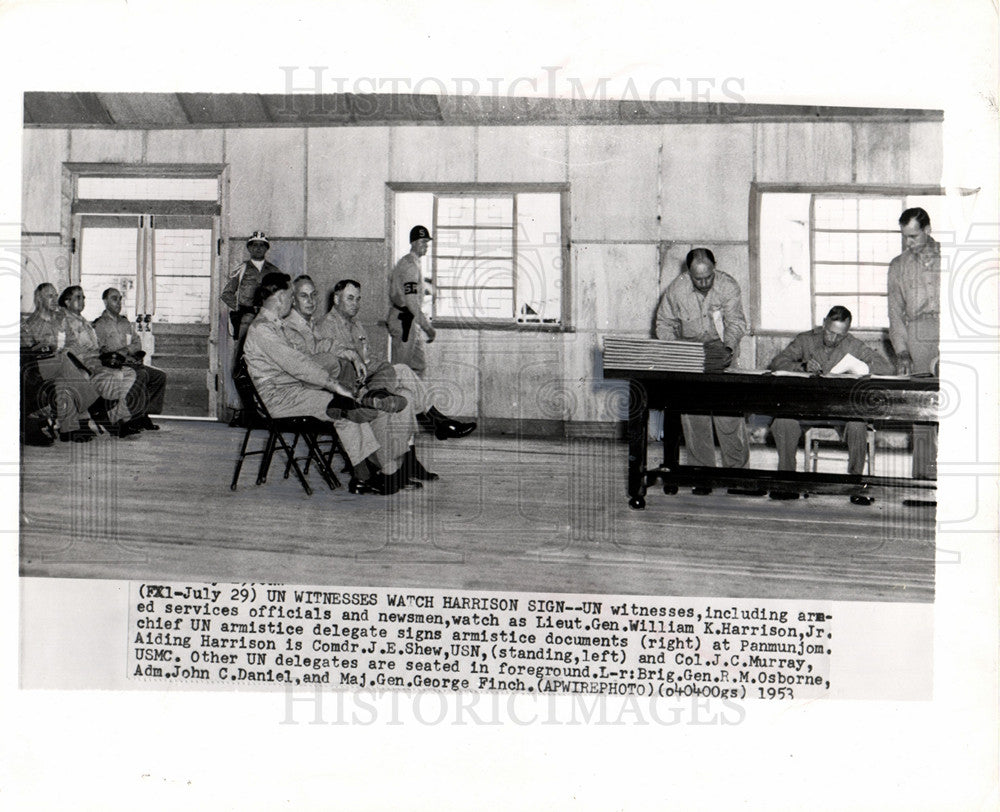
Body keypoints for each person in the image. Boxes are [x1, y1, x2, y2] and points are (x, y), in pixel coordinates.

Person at [242, 272, 406, 496]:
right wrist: (333, 384)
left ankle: (363, 474)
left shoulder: (274, 325)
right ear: (280, 297)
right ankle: (369, 467)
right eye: (291, 296)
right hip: (276, 398)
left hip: (291, 390)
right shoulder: (262, 329)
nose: (292, 301)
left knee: (344, 408)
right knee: (343, 407)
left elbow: (314, 349)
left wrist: (348, 356)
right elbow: (298, 363)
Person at [282, 275, 426, 489]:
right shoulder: (297, 327)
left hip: (344, 382)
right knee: (370, 406)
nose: (311, 301)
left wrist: (354, 357)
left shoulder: (314, 325)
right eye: (304, 296)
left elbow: (343, 352)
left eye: (313, 295)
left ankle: (399, 464)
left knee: (403, 395)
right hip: (318, 392)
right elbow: (309, 370)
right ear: (293, 299)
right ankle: (380, 470)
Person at [767, 306, 894, 499]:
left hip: (841, 410)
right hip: (807, 408)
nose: (833, 339)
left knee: (858, 425)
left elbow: (887, 368)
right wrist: (802, 366)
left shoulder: (853, 345)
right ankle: (787, 481)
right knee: (783, 422)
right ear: (824, 321)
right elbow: (777, 363)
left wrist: (861, 367)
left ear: (847, 332)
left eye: (840, 335)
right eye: (830, 332)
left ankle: (856, 483)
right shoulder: (805, 339)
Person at [318, 278, 438, 481]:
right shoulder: (324, 327)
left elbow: (367, 360)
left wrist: (381, 370)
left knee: (406, 394)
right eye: (349, 298)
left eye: (358, 299)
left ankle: (408, 461)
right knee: (400, 376)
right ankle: (431, 421)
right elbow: (334, 369)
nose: (355, 304)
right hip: (344, 392)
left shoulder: (356, 325)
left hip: (365, 382)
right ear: (336, 299)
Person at [654, 247, 750, 493]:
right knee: (695, 418)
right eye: (698, 279)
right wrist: (676, 353)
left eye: (709, 276)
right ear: (689, 272)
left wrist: (728, 349)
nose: (705, 282)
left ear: (714, 267)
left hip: (723, 352)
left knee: (728, 416)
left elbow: (736, 322)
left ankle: (737, 477)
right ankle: (702, 476)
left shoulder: (728, 286)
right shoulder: (676, 290)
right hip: (692, 356)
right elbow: (664, 324)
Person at [387, 224, 476, 439]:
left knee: (417, 368)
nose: (425, 245)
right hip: (405, 321)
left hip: (410, 322)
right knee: (401, 372)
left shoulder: (414, 264)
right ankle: (398, 426)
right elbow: (410, 302)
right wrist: (428, 327)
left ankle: (427, 421)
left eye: (427, 242)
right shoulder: (408, 266)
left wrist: (429, 289)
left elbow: (414, 291)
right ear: (413, 243)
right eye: (421, 242)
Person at [888, 207, 939, 479]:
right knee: (922, 409)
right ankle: (923, 479)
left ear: (928, 230)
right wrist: (902, 351)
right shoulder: (898, 266)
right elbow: (895, 312)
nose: (908, 242)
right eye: (905, 237)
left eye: (914, 236)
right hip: (917, 334)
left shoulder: (953, 256)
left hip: (952, 332)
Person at [58, 285, 144, 437]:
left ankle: (115, 416)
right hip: (81, 365)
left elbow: (96, 347)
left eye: (83, 297)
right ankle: (111, 418)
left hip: (96, 362)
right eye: (78, 297)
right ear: (67, 301)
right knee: (116, 377)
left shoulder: (83, 321)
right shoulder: (63, 320)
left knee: (129, 373)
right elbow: (61, 348)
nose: (82, 300)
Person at [21, 283, 101, 442]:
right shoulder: (31, 323)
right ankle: (94, 403)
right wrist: (44, 347)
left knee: (63, 382)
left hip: (60, 364)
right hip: (38, 366)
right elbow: (28, 352)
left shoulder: (60, 319)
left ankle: (68, 430)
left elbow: (72, 341)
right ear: (39, 299)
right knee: (63, 363)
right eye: (49, 296)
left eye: (55, 295)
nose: (54, 299)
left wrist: (65, 350)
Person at [92, 287, 167, 431]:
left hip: (132, 362)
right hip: (116, 366)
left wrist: (126, 350)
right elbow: (101, 350)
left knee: (159, 376)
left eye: (120, 299)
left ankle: (142, 413)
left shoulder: (125, 323)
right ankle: (133, 417)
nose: (119, 302)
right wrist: (119, 353)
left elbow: (137, 342)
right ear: (105, 301)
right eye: (114, 299)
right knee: (141, 375)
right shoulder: (99, 324)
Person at [220, 231, 281, 342]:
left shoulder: (274, 271)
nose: (258, 248)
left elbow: (281, 294)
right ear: (249, 248)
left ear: (266, 248)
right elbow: (226, 294)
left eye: (261, 245)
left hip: (266, 317)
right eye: (254, 245)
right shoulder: (241, 270)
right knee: (243, 350)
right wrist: (239, 307)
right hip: (245, 316)